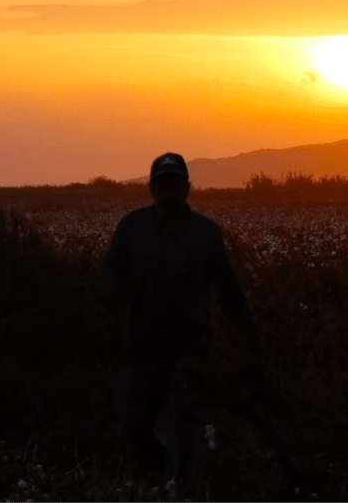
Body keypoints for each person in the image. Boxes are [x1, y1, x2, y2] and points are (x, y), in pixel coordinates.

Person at [100, 152, 258, 497]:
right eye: (163, 186)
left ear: (188, 188)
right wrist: (127, 291)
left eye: (176, 185)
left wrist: (250, 336)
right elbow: (108, 283)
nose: (169, 192)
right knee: (135, 427)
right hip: (145, 348)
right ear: (151, 190)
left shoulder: (206, 234)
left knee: (184, 422)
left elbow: (228, 290)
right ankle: (167, 480)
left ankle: (181, 489)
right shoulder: (132, 229)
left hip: (192, 347)